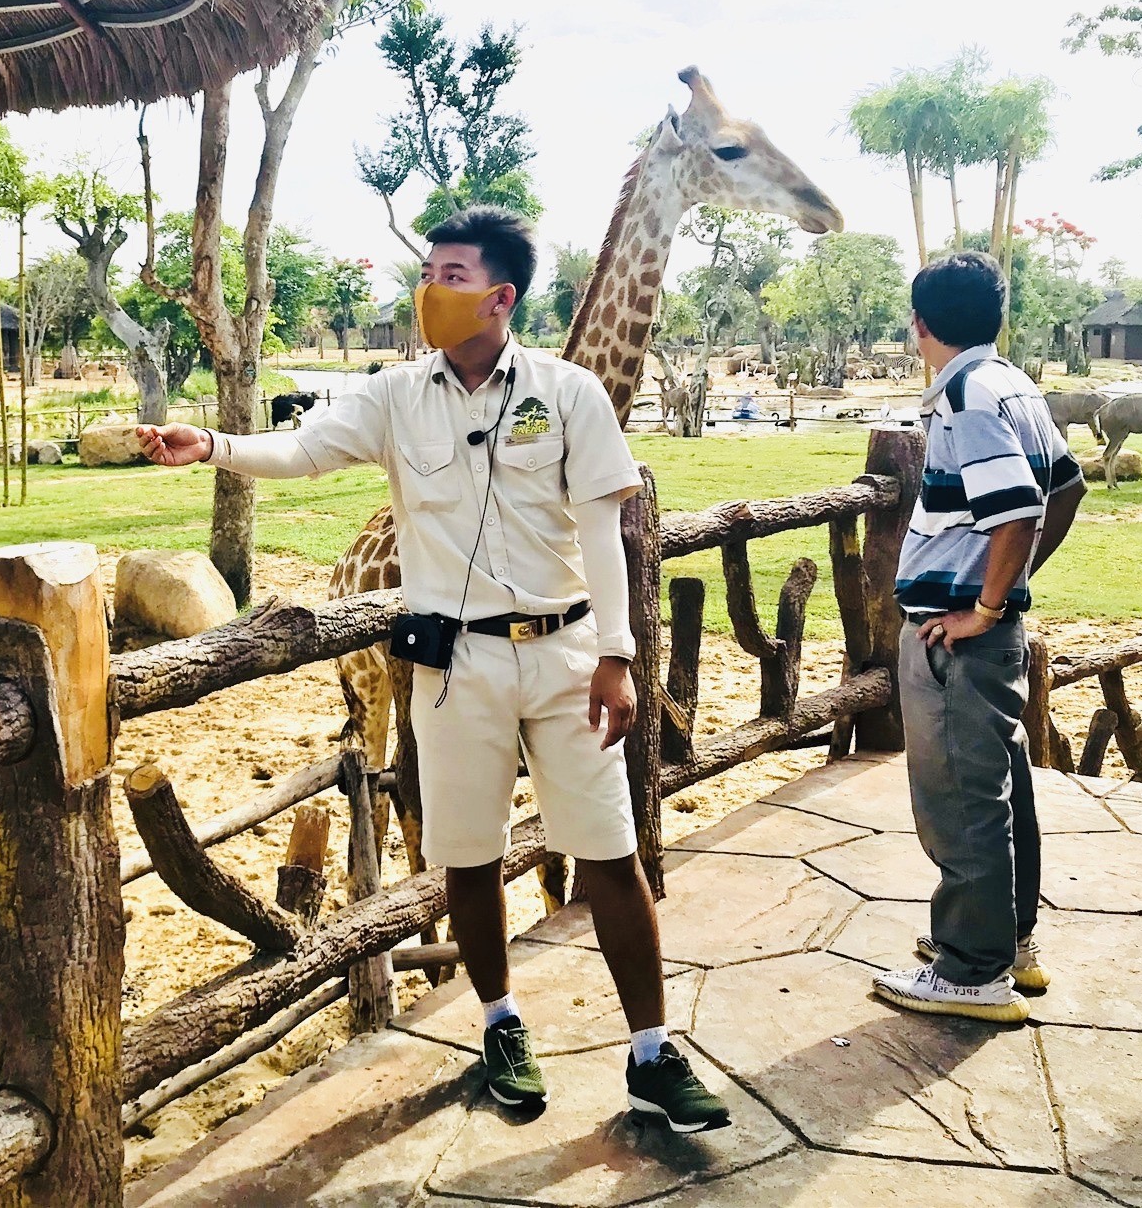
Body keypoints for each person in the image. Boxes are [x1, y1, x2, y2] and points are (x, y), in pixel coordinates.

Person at [136, 208, 729, 1131]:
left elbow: (611, 530)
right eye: (428, 271)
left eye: (451, 275)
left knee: (610, 852)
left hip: (567, 653)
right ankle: (500, 1026)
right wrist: (215, 445)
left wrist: (617, 653)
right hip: (455, 664)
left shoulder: (570, 393)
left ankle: (651, 1052)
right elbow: (304, 449)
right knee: (468, 854)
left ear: (501, 297)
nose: (431, 290)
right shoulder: (395, 394)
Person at [873, 251, 1083, 1023]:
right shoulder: (1014, 383)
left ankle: (970, 973)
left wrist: (986, 606)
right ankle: (1006, 942)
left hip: (958, 639)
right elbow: (1067, 485)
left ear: (920, 323)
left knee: (959, 798)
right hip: (985, 631)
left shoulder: (966, 393)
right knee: (997, 790)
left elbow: (1019, 506)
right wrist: (1014, 583)